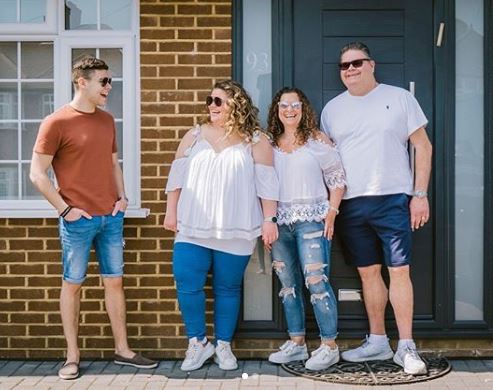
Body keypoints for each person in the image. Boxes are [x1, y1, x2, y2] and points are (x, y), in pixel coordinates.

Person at [30, 56, 158, 380]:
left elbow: (113, 164)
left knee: (114, 282)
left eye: (110, 81)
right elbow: (37, 175)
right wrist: (65, 210)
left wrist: (124, 198)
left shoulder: (107, 121)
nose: (109, 87)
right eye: (104, 81)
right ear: (81, 82)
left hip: (110, 217)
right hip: (77, 221)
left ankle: (123, 350)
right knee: (72, 285)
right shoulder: (56, 122)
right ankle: (72, 357)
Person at [320, 42, 433, 375]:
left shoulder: (399, 98)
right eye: (344, 66)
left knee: (399, 271)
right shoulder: (332, 109)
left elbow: (423, 147)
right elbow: (326, 160)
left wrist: (420, 194)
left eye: (356, 63)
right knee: (368, 274)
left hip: (393, 198)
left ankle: (407, 348)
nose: (350, 69)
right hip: (351, 205)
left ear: (371, 65)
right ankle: (379, 340)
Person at [163, 80, 279, 371]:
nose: (211, 106)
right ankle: (198, 343)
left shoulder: (256, 140)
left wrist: (269, 220)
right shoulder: (193, 135)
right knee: (187, 283)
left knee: (228, 288)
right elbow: (175, 179)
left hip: (236, 226)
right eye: (209, 100)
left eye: (218, 101)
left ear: (236, 105)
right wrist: (170, 212)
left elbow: (267, 186)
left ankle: (224, 346)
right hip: (192, 225)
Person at [267, 87, 346, 371]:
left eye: (295, 105)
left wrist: (332, 214)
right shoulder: (270, 145)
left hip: (312, 220)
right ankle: (297, 344)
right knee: (288, 287)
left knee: (317, 283)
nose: (290, 110)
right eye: (284, 105)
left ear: (303, 108)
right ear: (277, 110)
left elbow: (337, 179)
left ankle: (329, 346)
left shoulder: (316, 141)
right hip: (280, 224)